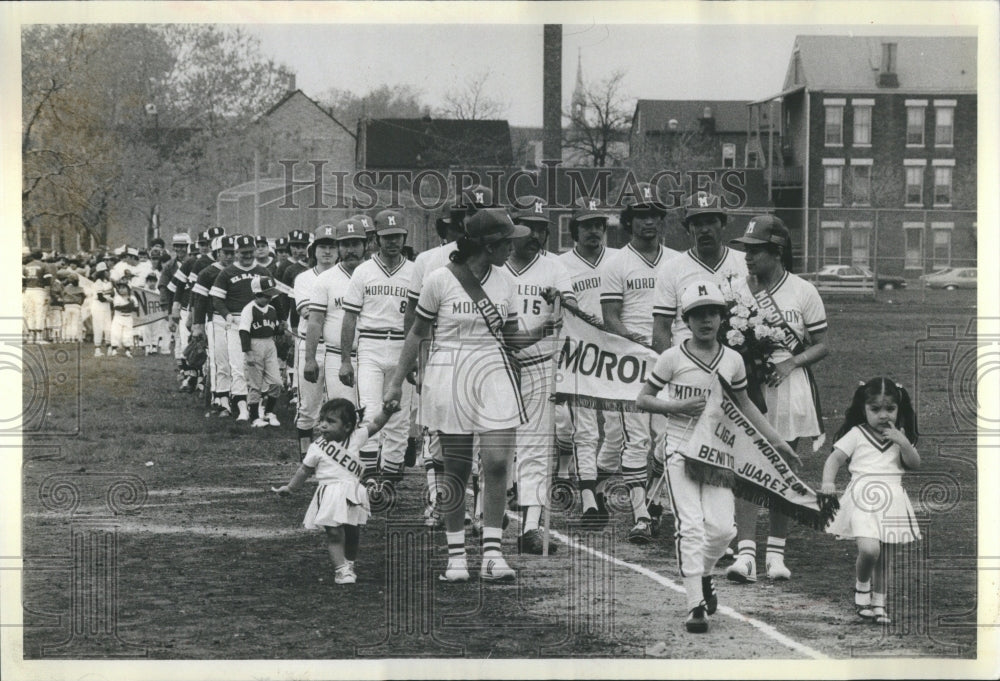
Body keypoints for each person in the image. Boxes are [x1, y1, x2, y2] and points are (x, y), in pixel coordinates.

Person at [384, 208, 551, 583]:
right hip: (449, 373)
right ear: (485, 244)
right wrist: (397, 382)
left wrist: (544, 328)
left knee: (495, 464)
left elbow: (511, 339)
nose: (513, 247)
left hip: (494, 374)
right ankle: (456, 556)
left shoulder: (505, 281)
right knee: (456, 469)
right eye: (506, 241)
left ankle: (492, 555)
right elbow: (416, 333)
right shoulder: (440, 280)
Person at [636, 280, 798, 633]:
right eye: (698, 315)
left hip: (717, 453)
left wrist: (776, 443)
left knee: (724, 529)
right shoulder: (672, 357)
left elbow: (746, 406)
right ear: (686, 320)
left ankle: (704, 573)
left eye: (712, 313)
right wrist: (676, 406)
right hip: (680, 447)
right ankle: (695, 603)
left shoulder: (734, 360)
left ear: (722, 318)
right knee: (690, 526)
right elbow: (643, 399)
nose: (706, 321)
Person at [726, 215, 829, 582]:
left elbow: (822, 346)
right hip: (750, 392)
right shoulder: (737, 290)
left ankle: (776, 554)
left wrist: (791, 363)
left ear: (777, 251)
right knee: (747, 469)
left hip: (789, 392)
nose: (747, 258)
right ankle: (746, 555)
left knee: (782, 468)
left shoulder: (803, 291)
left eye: (755, 251)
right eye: (745, 251)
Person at [402, 186, 492, 527]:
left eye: (483, 213)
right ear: (458, 220)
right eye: (469, 214)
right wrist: (414, 361)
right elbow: (413, 316)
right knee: (437, 435)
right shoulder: (429, 260)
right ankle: (437, 501)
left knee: (483, 440)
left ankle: (482, 509)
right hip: (438, 357)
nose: (476, 220)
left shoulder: (499, 262)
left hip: (483, 362)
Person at [600, 183, 680, 544]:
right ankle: (640, 514)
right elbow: (610, 315)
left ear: (661, 221)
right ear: (630, 222)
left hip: (671, 356)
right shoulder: (616, 261)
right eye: (641, 216)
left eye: (654, 216)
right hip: (630, 360)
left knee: (668, 437)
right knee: (636, 438)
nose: (648, 223)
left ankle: (657, 501)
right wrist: (631, 339)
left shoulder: (678, 261)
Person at [505, 194, 575, 554]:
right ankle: (484, 513)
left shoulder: (554, 268)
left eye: (542, 229)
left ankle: (530, 526)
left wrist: (561, 299)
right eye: (528, 226)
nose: (535, 234)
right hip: (496, 366)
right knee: (494, 445)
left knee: (535, 447)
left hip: (539, 364)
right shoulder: (495, 264)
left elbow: (574, 311)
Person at [820, 378, 920, 625]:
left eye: (890, 409)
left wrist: (903, 442)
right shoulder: (857, 433)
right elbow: (834, 460)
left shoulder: (901, 436)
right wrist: (828, 484)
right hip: (863, 497)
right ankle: (861, 587)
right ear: (864, 408)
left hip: (893, 498)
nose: (883, 415)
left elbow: (915, 464)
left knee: (884, 558)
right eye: (875, 409)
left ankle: (879, 604)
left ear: (899, 409)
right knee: (869, 549)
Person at [272, 398, 398, 584]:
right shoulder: (316, 447)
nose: (323, 425)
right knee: (334, 533)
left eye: (330, 421)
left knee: (353, 533)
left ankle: (349, 563)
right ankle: (341, 570)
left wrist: (387, 411)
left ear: (347, 427)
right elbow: (304, 470)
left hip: (352, 493)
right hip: (330, 494)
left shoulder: (356, 438)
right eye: (321, 420)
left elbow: (376, 425)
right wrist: (290, 488)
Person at [554, 196, 622, 528]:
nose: (594, 231)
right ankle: (588, 500)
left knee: (617, 431)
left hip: (615, 357)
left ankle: (596, 483)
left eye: (599, 225)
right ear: (574, 230)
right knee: (583, 429)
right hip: (578, 355)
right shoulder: (560, 264)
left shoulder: (619, 259)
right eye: (586, 226)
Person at [340, 209, 415, 486]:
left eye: (397, 236)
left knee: (398, 416)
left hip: (402, 346)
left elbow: (421, 318)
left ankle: (391, 480)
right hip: (370, 345)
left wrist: (417, 357)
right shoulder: (363, 271)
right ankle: (370, 478)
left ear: (404, 237)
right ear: (376, 239)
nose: (392, 242)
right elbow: (349, 317)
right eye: (386, 237)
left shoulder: (415, 271)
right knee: (370, 412)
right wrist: (346, 359)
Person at [302, 219, 365, 461]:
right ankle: (343, 465)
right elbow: (315, 321)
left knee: (372, 413)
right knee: (342, 414)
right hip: (337, 355)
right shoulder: (325, 280)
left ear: (366, 245)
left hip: (370, 351)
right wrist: (309, 358)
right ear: (339, 247)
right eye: (345, 244)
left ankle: (371, 469)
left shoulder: (371, 274)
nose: (351, 249)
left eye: (356, 243)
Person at [291, 223, 349, 459]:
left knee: (341, 403)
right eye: (322, 247)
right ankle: (306, 454)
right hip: (311, 345)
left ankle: (335, 453)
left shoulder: (349, 277)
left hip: (338, 347)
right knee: (309, 407)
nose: (327, 252)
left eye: (332, 247)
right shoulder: (304, 278)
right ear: (313, 250)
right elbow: (309, 314)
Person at [211, 235, 273, 422]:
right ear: (236, 253)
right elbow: (217, 299)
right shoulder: (227, 273)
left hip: (258, 322)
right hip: (236, 321)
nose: (247, 256)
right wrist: (228, 316)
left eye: (250, 252)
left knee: (259, 367)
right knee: (238, 366)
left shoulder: (263, 271)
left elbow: (274, 299)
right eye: (243, 252)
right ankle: (241, 407)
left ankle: (258, 407)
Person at [190, 236, 236, 407]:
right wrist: (197, 325)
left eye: (233, 253)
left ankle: (233, 393)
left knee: (236, 360)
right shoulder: (207, 272)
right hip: (214, 318)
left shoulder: (238, 271)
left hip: (235, 319)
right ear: (218, 253)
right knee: (218, 359)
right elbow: (199, 300)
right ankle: (216, 395)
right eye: (226, 253)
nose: (230, 257)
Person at [239, 275, 284, 427]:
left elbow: (273, 328)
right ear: (257, 294)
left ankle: (268, 412)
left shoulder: (271, 309)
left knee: (276, 381)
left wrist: (280, 329)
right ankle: (254, 418)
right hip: (254, 345)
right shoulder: (249, 309)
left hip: (269, 344)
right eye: (266, 295)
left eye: (271, 295)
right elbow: (244, 331)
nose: (270, 298)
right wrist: (248, 352)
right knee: (255, 384)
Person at [23, 250, 51, 344]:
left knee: (30, 313)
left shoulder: (26, 266)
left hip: (28, 290)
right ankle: (39, 337)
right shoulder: (44, 265)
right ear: (41, 255)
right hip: (39, 290)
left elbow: (22, 282)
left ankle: (31, 336)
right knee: (39, 312)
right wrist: (47, 295)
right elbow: (47, 282)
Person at [109, 275, 140, 357]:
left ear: (128, 289)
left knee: (127, 334)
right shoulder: (117, 298)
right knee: (116, 333)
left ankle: (127, 350)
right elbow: (117, 307)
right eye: (120, 288)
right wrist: (129, 305)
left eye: (124, 287)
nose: (121, 289)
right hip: (118, 317)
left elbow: (136, 308)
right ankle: (114, 349)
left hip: (128, 318)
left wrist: (130, 306)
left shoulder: (132, 298)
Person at [89, 262, 114, 356]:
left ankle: (109, 347)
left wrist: (110, 298)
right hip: (98, 305)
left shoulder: (108, 282)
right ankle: (97, 349)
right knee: (98, 326)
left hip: (106, 305)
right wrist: (111, 300)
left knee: (108, 326)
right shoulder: (98, 282)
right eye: (107, 270)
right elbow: (100, 297)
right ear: (102, 272)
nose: (108, 272)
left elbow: (111, 293)